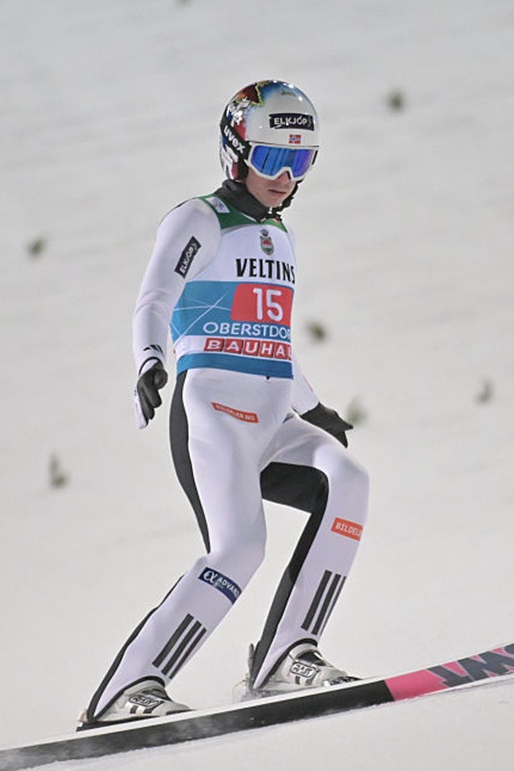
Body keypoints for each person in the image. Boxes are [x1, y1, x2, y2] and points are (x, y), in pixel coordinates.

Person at [81, 80, 369, 728]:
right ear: (235, 153)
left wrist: (314, 406)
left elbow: (273, 337)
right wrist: (150, 362)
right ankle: (129, 686)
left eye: (300, 162)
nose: (285, 178)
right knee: (239, 548)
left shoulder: (282, 238)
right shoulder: (199, 220)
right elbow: (153, 299)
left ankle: (287, 653)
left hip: (272, 417)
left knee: (348, 479)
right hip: (212, 408)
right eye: (272, 160)